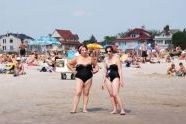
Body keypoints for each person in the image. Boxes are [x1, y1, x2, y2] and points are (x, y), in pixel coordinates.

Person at [67, 44, 99, 113]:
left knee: (86, 93)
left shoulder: (90, 58)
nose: (84, 51)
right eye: (82, 50)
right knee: (78, 92)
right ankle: (74, 109)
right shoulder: (77, 58)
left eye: (85, 50)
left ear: (87, 50)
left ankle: (84, 108)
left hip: (89, 77)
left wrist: (96, 70)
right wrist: (73, 71)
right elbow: (68, 64)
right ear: (80, 51)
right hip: (79, 77)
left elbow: (96, 65)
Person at [102, 46, 126, 115]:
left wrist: (121, 79)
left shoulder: (116, 58)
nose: (108, 53)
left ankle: (122, 109)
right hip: (108, 77)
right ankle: (114, 109)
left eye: (110, 51)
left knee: (115, 94)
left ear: (112, 51)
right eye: (107, 51)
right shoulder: (105, 59)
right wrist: (103, 81)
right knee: (111, 95)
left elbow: (120, 70)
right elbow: (105, 71)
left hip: (115, 76)